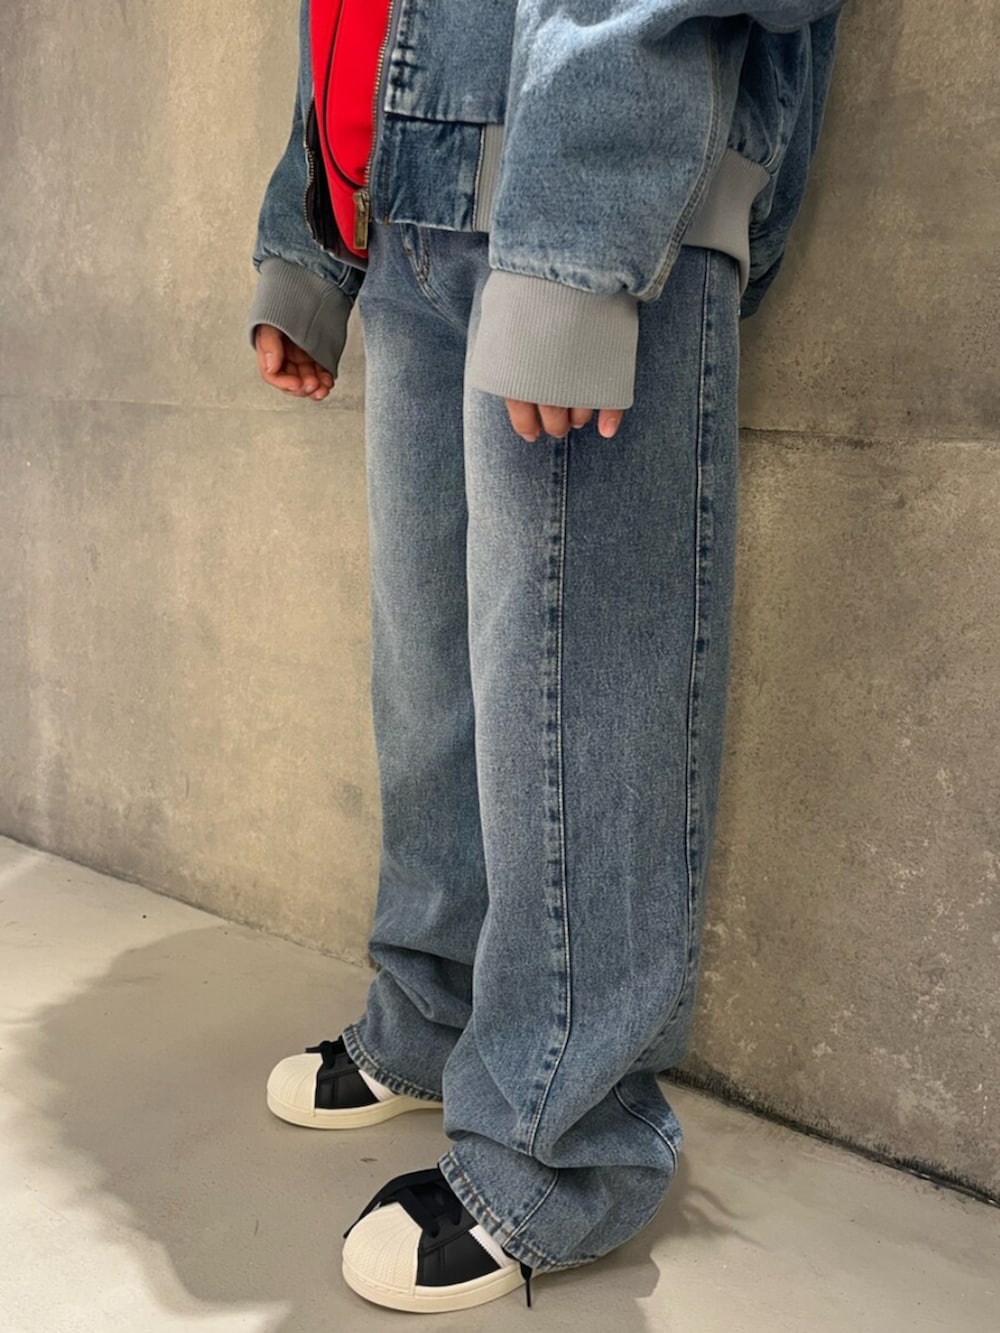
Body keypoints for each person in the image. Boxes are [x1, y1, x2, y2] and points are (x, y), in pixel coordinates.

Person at [249, 0, 843, 1314]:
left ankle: (560, 1147)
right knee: (433, 674)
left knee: (577, 690)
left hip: (597, 173)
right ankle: (434, 1011)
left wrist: (584, 224)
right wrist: (312, 234)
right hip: (409, 200)